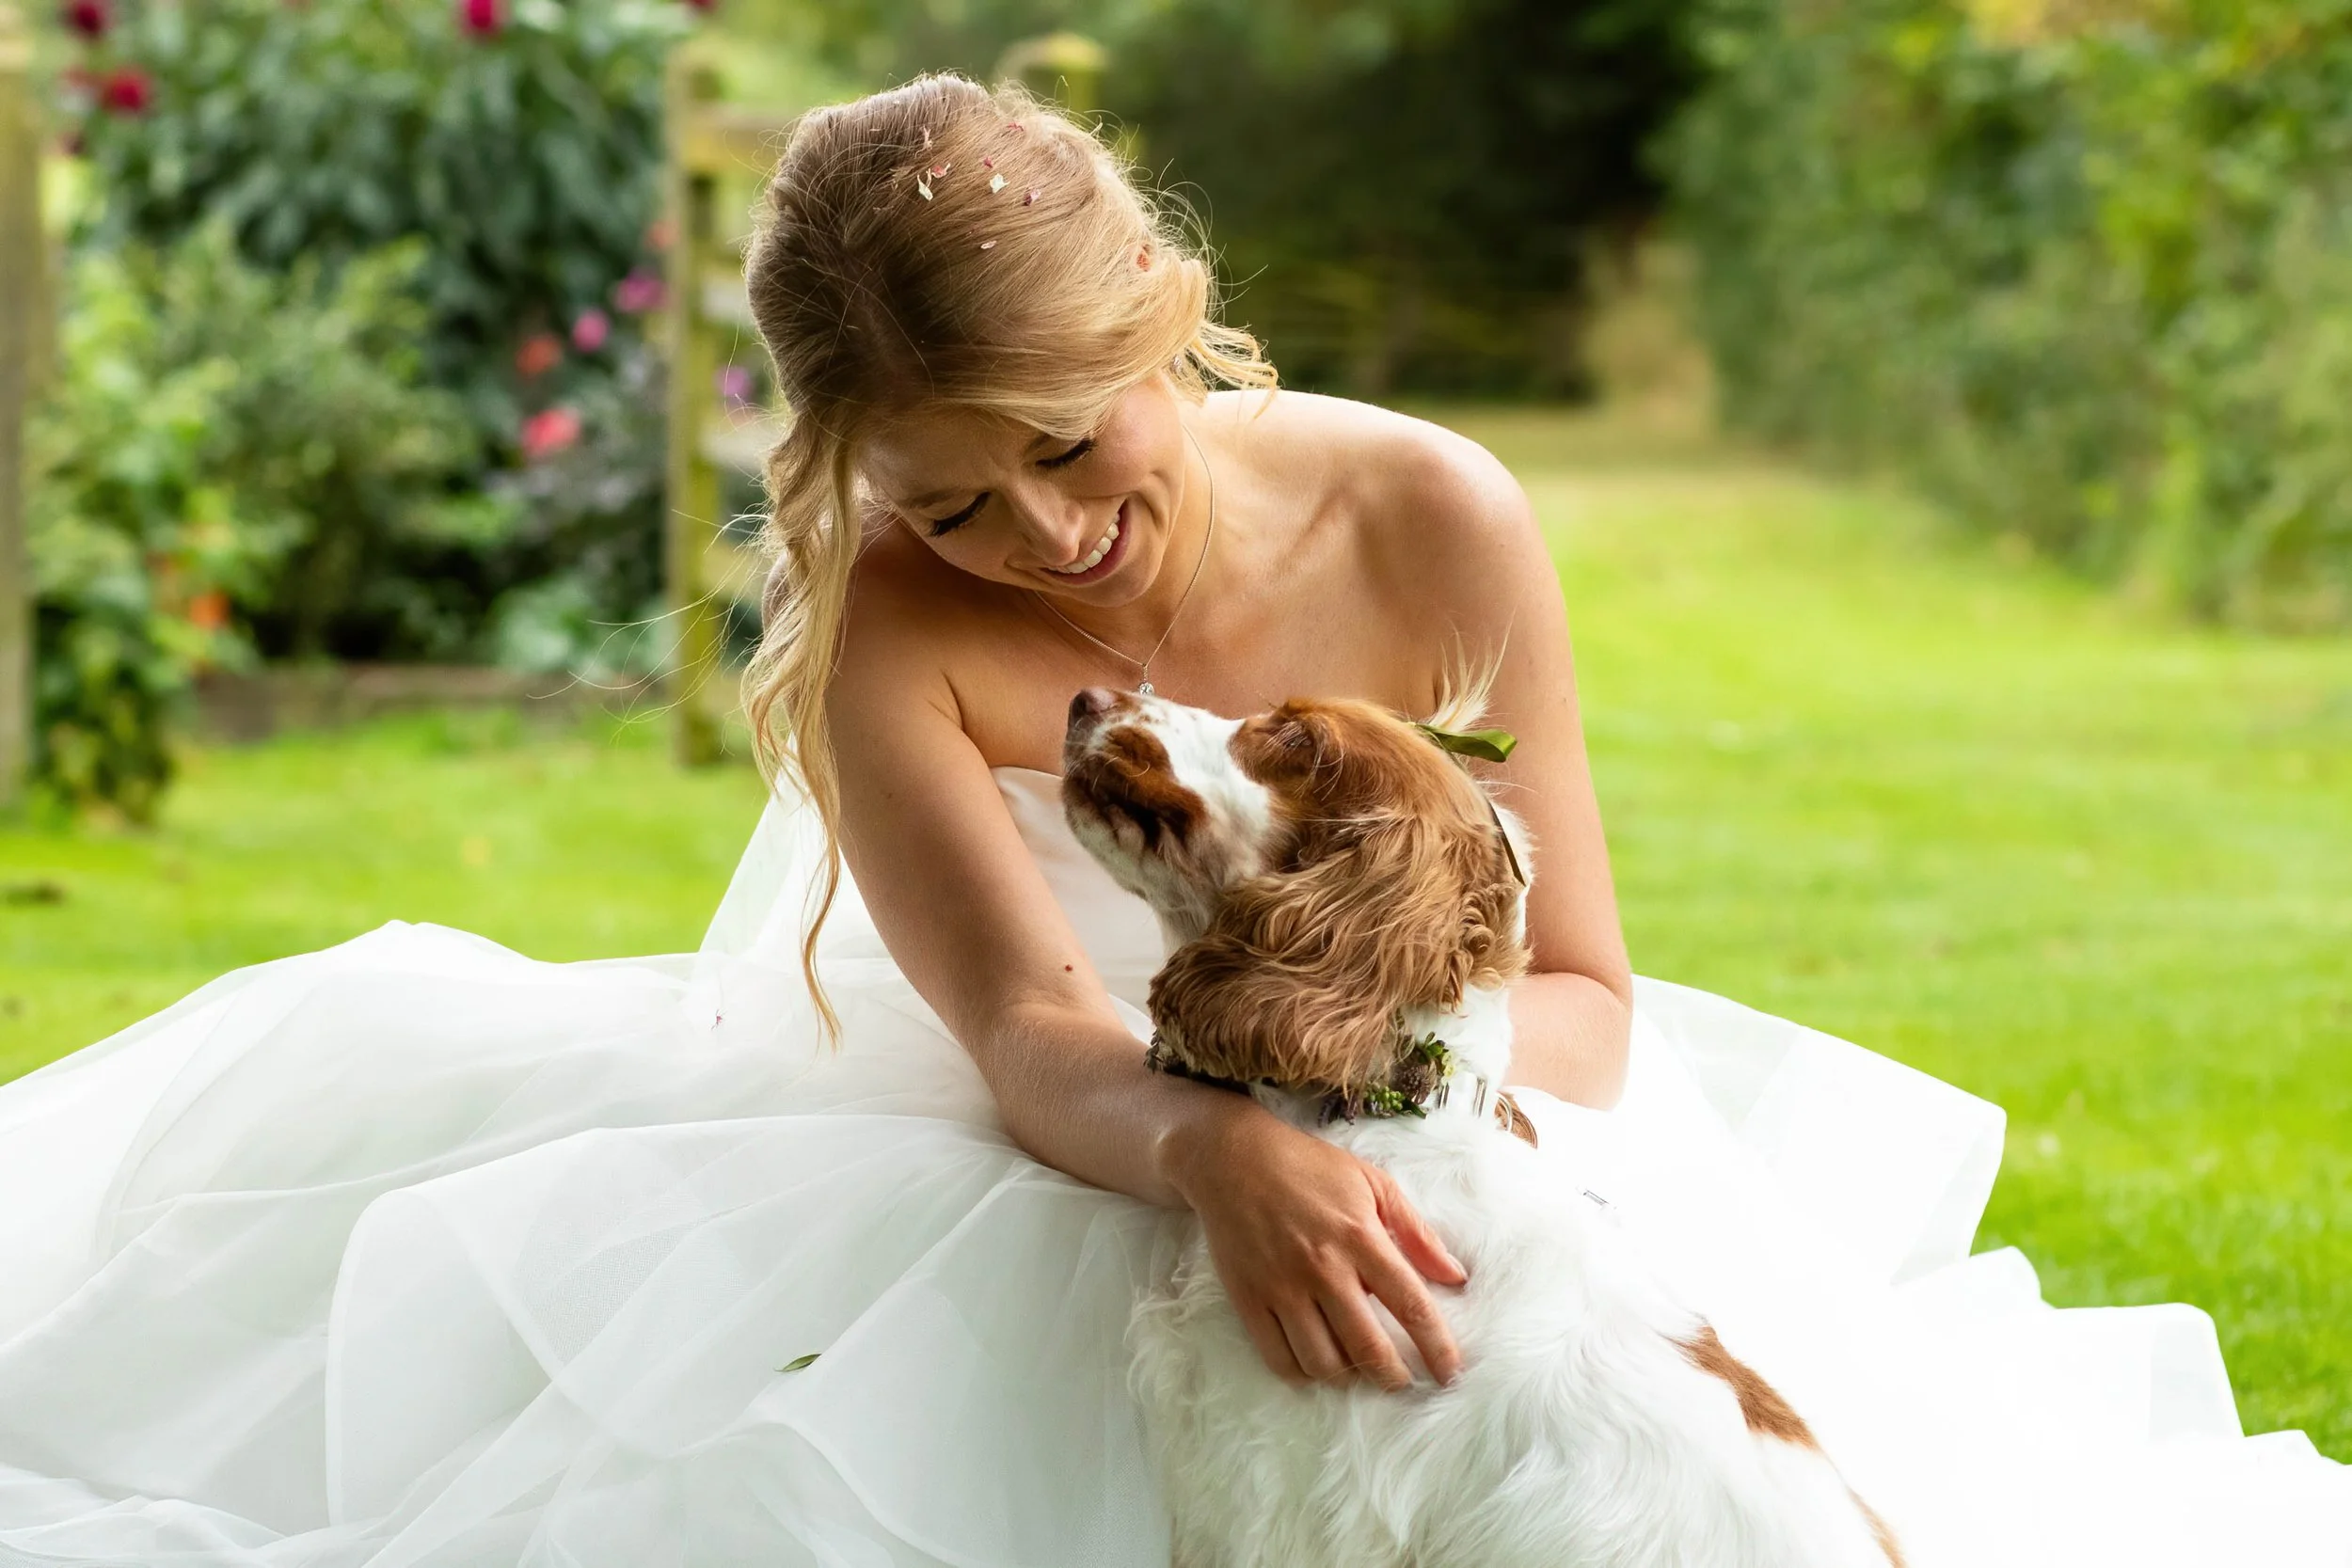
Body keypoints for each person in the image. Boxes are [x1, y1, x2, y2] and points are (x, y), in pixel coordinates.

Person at [0, 72, 2343, 1568]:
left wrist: (1374, 1109)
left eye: (1064, 439)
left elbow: (1591, 994)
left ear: (1163, 319)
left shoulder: (1432, 510)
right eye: (948, 491)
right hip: (1055, 1142)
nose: (1035, 533)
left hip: (1464, 1106)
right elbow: (1025, 1026)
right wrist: (1216, 1145)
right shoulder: (888, 630)